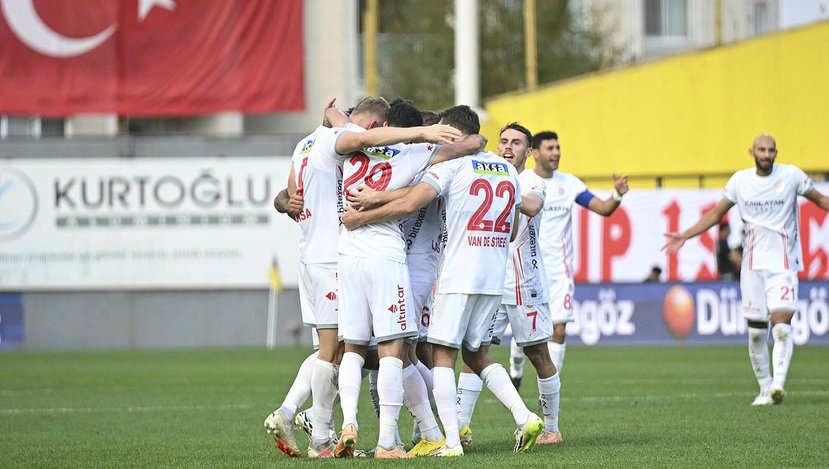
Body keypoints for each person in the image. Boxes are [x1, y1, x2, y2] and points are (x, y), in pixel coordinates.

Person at [342, 105, 545, 457]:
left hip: (458, 273)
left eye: (442, 134)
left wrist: (366, 211)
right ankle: (524, 416)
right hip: (493, 276)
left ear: (454, 135)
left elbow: (411, 202)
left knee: (441, 354)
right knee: (476, 353)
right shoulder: (507, 172)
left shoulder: (452, 165)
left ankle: (450, 441)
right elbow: (513, 230)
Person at [329, 99, 483, 459]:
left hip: (347, 252)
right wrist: (428, 134)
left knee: (352, 348)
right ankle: (387, 441)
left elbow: (335, 116)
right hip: (386, 255)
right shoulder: (415, 153)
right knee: (393, 350)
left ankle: (348, 421)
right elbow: (474, 144)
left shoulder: (350, 142)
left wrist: (336, 114)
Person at [663, 134, 829, 406]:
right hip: (752, 267)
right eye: (761, 150)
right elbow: (716, 214)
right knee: (756, 333)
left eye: (771, 150)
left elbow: (821, 199)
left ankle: (778, 385)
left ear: (776, 152)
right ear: (751, 151)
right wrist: (686, 234)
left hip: (783, 265)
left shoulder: (791, 176)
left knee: (782, 327)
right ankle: (764, 389)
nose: (766, 154)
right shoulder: (740, 182)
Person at [266, 97, 379, 458]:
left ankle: (302, 419)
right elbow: (288, 197)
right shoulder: (336, 143)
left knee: (334, 349)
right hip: (331, 258)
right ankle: (317, 435)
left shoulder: (304, 144)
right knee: (337, 350)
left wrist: (287, 203)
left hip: (310, 256)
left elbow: (288, 194)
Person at [505, 130, 628, 442]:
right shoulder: (525, 182)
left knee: (558, 331)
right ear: (534, 152)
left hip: (559, 273)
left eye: (558, 147)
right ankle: (516, 370)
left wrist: (617, 195)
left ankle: (546, 398)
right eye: (550, 148)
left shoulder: (570, 183)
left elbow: (602, 208)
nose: (556, 152)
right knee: (524, 340)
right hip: (525, 269)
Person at [456, 122, 562, 446]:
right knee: (474, 350)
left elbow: (532, 206)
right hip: (491, 281)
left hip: (524, 283)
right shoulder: (489, 176)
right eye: (503, 141)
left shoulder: (533, 181)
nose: (507, 147)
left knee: (538, 354)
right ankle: (460, 426)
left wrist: (507, 189)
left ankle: (552, 428)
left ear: (528, 152)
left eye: (516, 143)